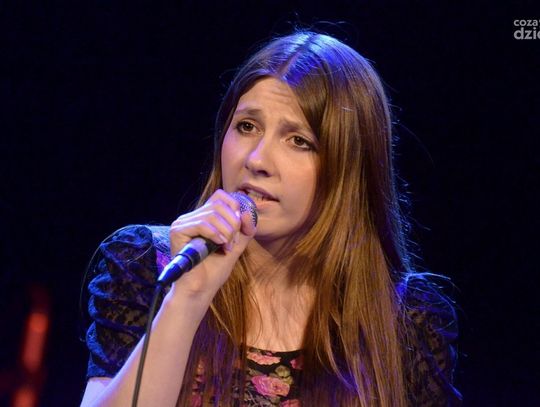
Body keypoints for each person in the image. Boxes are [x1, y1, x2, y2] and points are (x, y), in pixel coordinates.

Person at [80, 31, 462, 406]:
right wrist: (186, 298)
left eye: (299, 141)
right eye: (247, 126)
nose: (257, 160)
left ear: (350, 171)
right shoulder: (149, 265)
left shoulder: (408, 321)